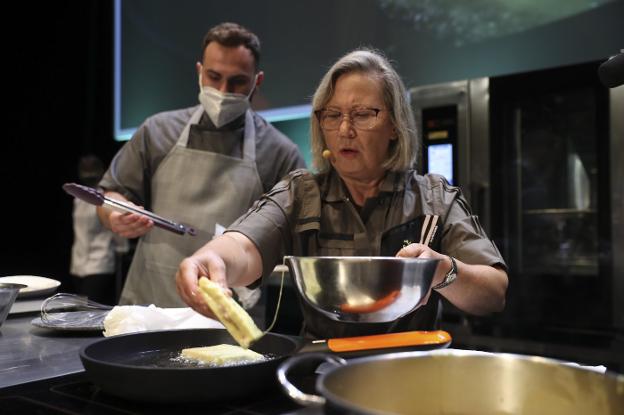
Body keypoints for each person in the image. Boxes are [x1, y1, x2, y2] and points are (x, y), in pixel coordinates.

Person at [176, 48, 508, 339]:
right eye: (333, 115)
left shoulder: (435, 199)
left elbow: (494, 293)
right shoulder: (301, 193)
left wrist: (442, 269)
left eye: (363, 114)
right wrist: (212, 260)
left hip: (411, 370)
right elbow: (243, 247)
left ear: (394, 125)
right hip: (321, 367)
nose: (345, 130)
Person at [97, 22, 305, 307]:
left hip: (227, 311)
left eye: (237, 82)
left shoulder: (280, 153)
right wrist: (116, 213)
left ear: (257, 81)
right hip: (148, 305)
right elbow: (110, 193)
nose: (223, 90)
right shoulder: (158, 131)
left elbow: (293, 241)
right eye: (214, 76)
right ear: (199, 72)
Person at [71, 155, 128, 305]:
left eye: (92, 169)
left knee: (90, 308)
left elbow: (116, 224)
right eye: (85, 169)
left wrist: (122, 247)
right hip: (78, 263)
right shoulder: (77, 198)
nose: (88, 174)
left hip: (100, 262)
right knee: (80, 307)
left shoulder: (105, 198)